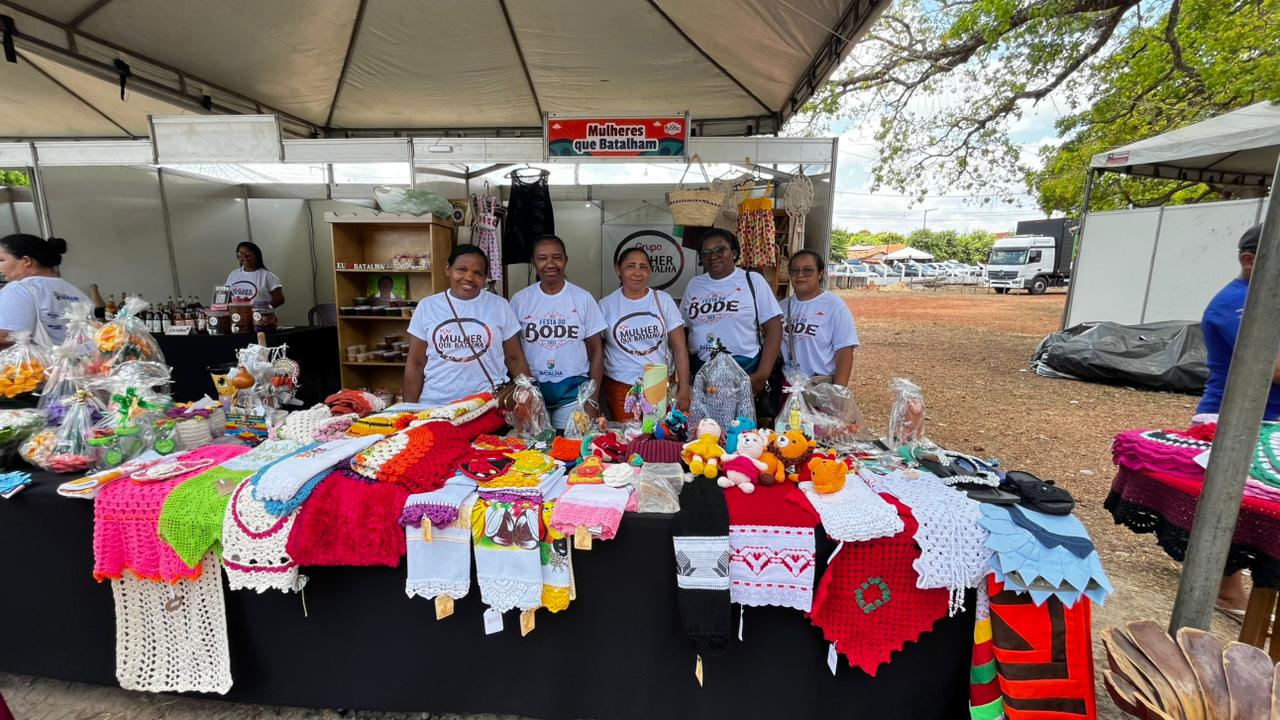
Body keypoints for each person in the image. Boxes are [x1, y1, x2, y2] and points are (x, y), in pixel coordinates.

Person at [1195, 224, 1276, 617]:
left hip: (1266, 418)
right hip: (1237, 418)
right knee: (1238, 507)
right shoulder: (1236, 304)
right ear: (1250, 260)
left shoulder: (1264, 299)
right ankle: (1226, 590)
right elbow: (1272, 369)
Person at [403, 245, 531, 407]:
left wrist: (529, 400)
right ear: (448, 269)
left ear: (485, 277)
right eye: (461, 269)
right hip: (436, 405)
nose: (469, 277)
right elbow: (416, 363)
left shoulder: (500, 306)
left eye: (478, 273)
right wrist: (408, 409)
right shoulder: (427, 306)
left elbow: (515, 358)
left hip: (488, 404)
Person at [509, 236, 606, 429]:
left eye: (557, 257)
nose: (550, 264)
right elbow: (512, 353)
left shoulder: (583, 298)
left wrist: (592, 399)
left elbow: (596, 352)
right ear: (533, 261)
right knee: (535, 452)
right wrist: (525, 395)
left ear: (566, 260)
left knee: (573, 451)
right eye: (542, 258)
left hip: (573, 393)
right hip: (534, 392)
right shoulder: (520, 300)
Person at [681, 228, 783, 402]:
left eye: (720, 250)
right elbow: (683, 330)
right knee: (705, 427)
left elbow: (774, 329)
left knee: (742, 427)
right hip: (703, 372)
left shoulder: (752, 281)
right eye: (706, 252)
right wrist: (687, 376)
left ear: (734, 253)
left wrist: (762, 375)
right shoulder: (694, 285)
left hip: (745, 371)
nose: (713, 256)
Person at [599, 246, 693, 419]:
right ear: (618, 269)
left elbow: (680, 349)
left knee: (660, 439)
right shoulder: (605, 306)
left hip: (660, 385)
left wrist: (684, 388)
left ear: (649, 271)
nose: (637, 272)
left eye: (643, 267)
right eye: (630, 266)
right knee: (627, 440)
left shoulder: (662, 300)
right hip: (621, 387)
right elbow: (598, 351)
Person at [779, 250, 859, 386]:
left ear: (820, 274)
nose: (800, 275)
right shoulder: (781, 307)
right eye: (794, 270)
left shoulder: (834, 306)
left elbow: (844, 351)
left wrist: (838, 392)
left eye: (808, 270)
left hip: (818, 387)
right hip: (788, 387)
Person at [0, 233, 89, 348]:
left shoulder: (19, 289)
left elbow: (6, 337)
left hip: (39, 364)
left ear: (26, 260)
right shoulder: (76, 292)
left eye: (1, 260)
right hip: (81, 363)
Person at [225, 241, 284, 308]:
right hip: (237, 316)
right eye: (240, 254)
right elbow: (226, 296)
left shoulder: (267, 276)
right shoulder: (233, 275)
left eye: (248, 253)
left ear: (257, 255)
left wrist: (263, 310)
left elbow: (279, 299)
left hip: (260, 316)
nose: (244, 256)